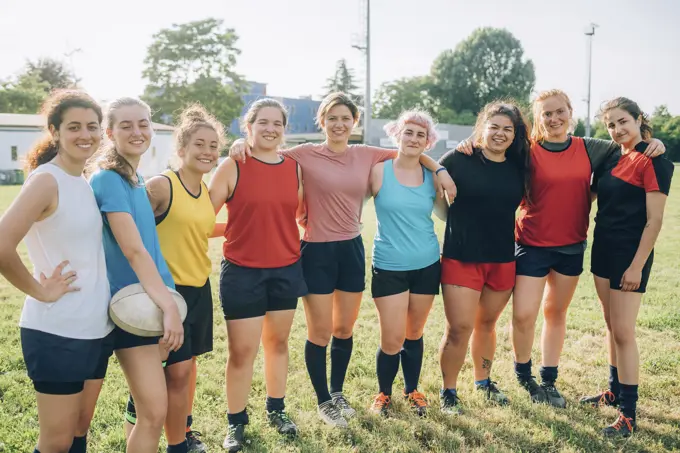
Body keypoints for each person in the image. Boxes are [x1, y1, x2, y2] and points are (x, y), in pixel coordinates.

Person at [229, 92, 456, 427]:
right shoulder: (302, 155)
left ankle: (337, 393)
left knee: (344, 329)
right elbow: (268, 151)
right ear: (322, 121)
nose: (338, 124)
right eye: (331, 118)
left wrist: (440, 168)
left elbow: (410, 153)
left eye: (345, 118)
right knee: (319, 331)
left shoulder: (366, 155)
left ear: (355, 122)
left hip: (351, 250)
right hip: (316, 251)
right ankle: (323, 401)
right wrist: (239, 144)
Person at [456, 89, 665, 407]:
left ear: (570, 113)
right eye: (546, 114)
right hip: (531, 244)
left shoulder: (594, 148)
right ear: (538, 120)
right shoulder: (525, 151)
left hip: (571, 247)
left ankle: (549, 380)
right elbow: (491, 149)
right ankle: (524, 377)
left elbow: (628, 149)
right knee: (524, 315)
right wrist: (468, 144)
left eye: (559, 112)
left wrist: (654, 142)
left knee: (556, 313)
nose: (553, 119)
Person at [0, 90, 112, 453]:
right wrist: (40, 290)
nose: (85, 135)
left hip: (96, 329)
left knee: (79, 434)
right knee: (57, 442)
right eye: (74, 127)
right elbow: (2, 245)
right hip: (56, 330)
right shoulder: (46, 180)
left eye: (92, 127)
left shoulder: (83, 181)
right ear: (55, 131)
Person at [123, 104, 224, 453]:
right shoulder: (161, 186)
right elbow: (129, 236)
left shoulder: (207, 192)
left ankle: (178, 443)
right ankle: (135, 437)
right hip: (163, 294)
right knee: (152, 380)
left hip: (198, 290)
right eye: (199, 144)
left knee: (181, 374)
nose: (207, 151)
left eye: (213, 146)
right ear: (181, 149)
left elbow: (197, 229)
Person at [209, 98, 306, 452]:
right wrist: (233, 229)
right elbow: (203, 219)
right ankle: (236, 422)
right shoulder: (233, 165)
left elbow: (296, 215)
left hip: (285, 269)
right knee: (242, 351)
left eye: (277, 123)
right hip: (242, 272)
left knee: (277, 344)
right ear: (248, 127)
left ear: (284, 129)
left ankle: (276, 409)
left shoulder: (294, 167)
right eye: (262, 122)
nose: (270, 129)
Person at [89, 97, 184, 453]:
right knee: (153, 413)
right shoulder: (109, 179)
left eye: (143, 123)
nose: (137, 131)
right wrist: (169, 308)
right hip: (134, 306)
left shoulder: (135, 177)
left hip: (152, 302)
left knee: (149, 411)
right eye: (126, 125)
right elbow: (132, 250)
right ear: (110, 133)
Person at [580, 98, 673, 437]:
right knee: (610, 325)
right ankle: (613, 390)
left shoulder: (654, 159)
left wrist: (636, 267)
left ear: (637, 119)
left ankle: (629, 413)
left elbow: (655, 220)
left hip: (629, 255)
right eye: (611, 125)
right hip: (602, 249)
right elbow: (589, 194)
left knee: (623, 330)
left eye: (623, 122)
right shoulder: (611, 157)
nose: (617, 130)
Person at [438, 101, 531, 415]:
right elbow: (426, 171)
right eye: (494, 127)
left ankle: (483, 381)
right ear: (482, 128)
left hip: (503, 258)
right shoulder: (459, 159)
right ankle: (449, 391)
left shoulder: (520, 164)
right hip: (461, 257)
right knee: (459, 328)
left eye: (508, 129)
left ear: (515, 134)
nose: (500, 134)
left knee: (487, 325)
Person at [367, 110, 442, 417]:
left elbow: (448, 215)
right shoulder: (378, 171)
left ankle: (412, 391)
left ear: (428, 142)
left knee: (414, 332)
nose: (413, 139)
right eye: (408, 132)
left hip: (427, 264)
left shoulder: (432, 177)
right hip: (389, 265)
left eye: (420, 134)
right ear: (396, 134)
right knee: (392, 337)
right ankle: (383, 394)